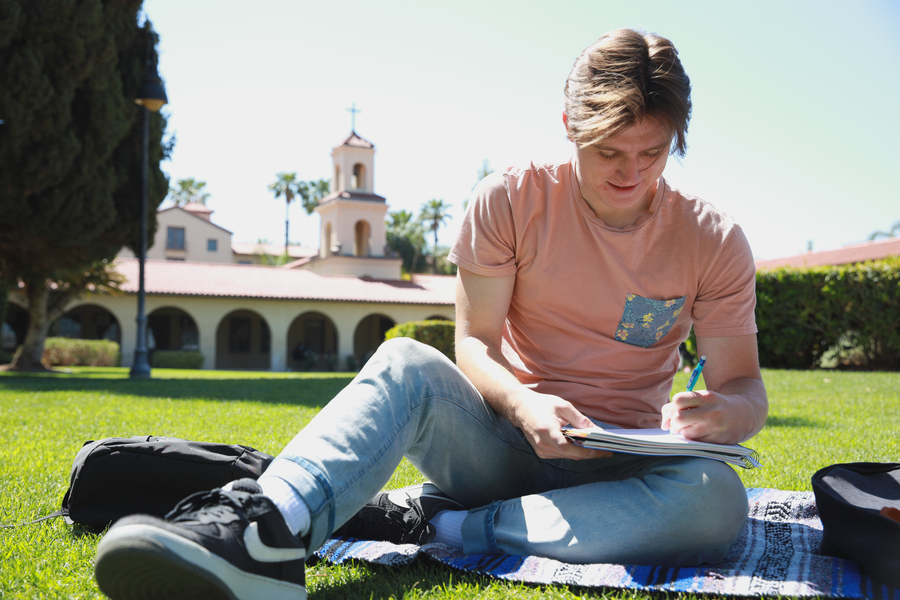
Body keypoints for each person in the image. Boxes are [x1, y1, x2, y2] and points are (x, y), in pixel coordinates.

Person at [93, 28, 767, 600]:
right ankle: (262, 530)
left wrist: (723, 414)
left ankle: (446, 527)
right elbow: (474, 344)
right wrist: (526, 404)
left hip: (624, 467)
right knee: (405, 362)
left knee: (718, 501)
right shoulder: (509, 198)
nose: (631, 175)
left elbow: (745, 389)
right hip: (503, 442)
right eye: (610, 153)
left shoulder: (712, 238)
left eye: (652, 154)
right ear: (569, 127)